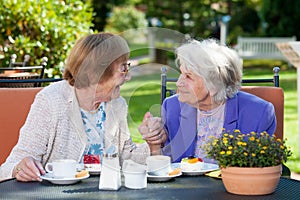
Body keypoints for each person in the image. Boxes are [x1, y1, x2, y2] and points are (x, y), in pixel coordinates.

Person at [0, 33, 165, 182]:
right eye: (123, 69)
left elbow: (126, 158)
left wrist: (152, 145)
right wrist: (20, 168)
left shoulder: (117, 104)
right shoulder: (51, 101)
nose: (128, 76)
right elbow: (10, 166)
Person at [160, 38, 276, 163]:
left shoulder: (258, 114)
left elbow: (262, 169)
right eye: (181, 73)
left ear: (214, 85)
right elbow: (166, 165)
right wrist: (155, 144)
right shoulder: (172, 107)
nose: (178, 82)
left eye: (188, 76)